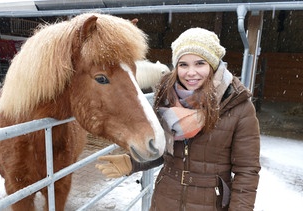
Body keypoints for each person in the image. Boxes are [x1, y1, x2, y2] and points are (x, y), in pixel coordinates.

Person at [96, 27, 261, 211]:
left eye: (200, 63)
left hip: (211, 204)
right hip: (166, 199)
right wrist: (132, 163)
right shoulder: (166, 99)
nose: (191, 72)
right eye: (183, 65)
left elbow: (247, 171)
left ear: (213, 64)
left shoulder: (238, 106)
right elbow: (164, 150)